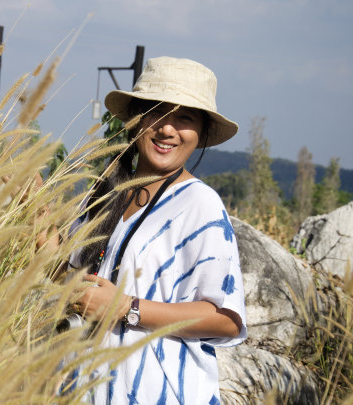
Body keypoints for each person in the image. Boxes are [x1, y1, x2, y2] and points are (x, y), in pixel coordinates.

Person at [68, 56, 247, 404]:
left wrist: (126, 308)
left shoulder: (200, 205)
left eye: (185, 118)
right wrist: (37, 218)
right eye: (158, 112)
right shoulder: (105, 194)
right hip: (87, 388)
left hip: (159, 392)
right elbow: (74, 277)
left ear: (202, 132)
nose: (167, 129)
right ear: (136, 120)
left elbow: (226, 319)